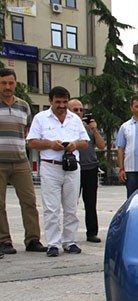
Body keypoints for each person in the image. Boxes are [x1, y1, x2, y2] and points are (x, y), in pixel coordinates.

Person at [27, 86, 89, 257]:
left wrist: (74, 145)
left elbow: (85, 142)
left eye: (64, 102)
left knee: (71, 207)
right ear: (51, 101)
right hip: (50, 166)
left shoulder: (74, 119)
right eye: (58, 102)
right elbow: (31, 142)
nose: (61, 106)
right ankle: (53, 243)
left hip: (71, 166)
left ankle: (70, 241)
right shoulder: (41, 118)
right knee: (51, 208)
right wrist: (50, 144)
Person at [0, 68, 47, 255]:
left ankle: (33, 239)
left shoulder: (24, 106)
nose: (7, 87)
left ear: (15, 84)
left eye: (10, 83)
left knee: (29, 201)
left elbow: (27, 131)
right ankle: (4, 240)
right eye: (3, 83)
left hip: (20, 161)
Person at [67, 99, 106, 243]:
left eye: (81, 110)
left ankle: (92, 232)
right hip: (74, 168)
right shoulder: (67, 126)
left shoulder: (89, 128)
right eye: (75, 110)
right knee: (71, 203)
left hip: (90, 167)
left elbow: (101, 145)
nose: (79, 113)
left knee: (91, 202)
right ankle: (69, 234)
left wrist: (94, 130)